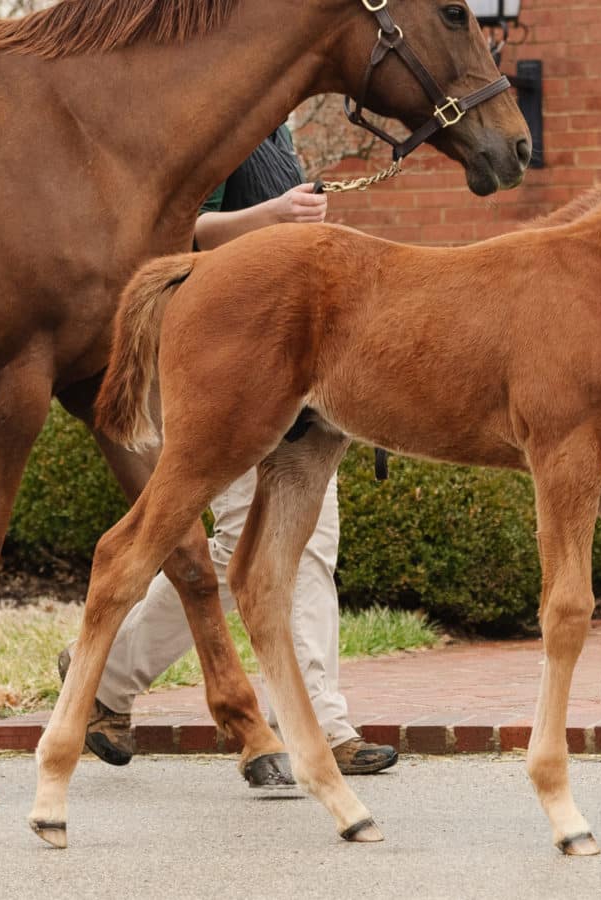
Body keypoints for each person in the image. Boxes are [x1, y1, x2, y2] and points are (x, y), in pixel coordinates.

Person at [62, 125, 397, 777]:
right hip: (230, 361)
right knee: (274, 540)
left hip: (290, 358)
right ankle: (321, 726)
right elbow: (178, 233)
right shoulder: (221, 127)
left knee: (276, 544)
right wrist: (270, 217)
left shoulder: (277, 130)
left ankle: (102, 677)